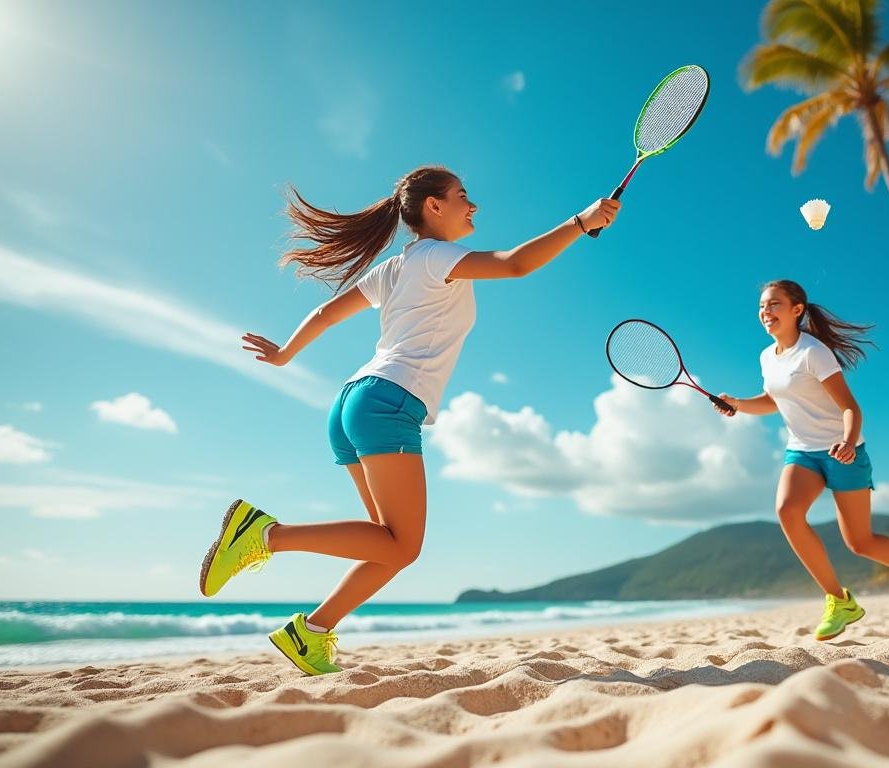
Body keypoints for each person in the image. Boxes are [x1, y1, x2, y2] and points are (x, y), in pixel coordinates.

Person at [199, 165, 620, 674]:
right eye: (463, 196)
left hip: (354, 401)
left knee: (388, 545)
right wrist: (581, 221)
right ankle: (266, 535)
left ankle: (311, 633)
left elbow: (329, 313)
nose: (474, 206)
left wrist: (288, 353)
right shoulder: (438, 258)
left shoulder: (396, 268)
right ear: (433, 207)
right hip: (388, 404)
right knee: (402, 545)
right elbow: (514, 265)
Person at [717, 279, 889, 641]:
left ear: (796, 310)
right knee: (788, 511)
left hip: (843, 449)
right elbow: (775, 400)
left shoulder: (814, 352)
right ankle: (839, 601)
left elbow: (850, 407)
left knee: (860, 542)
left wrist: (849, 442)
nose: (766, 312)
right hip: (803, 450)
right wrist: (739, 404)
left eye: (774, 304)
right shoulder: (767, 357)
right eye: (762, 306)